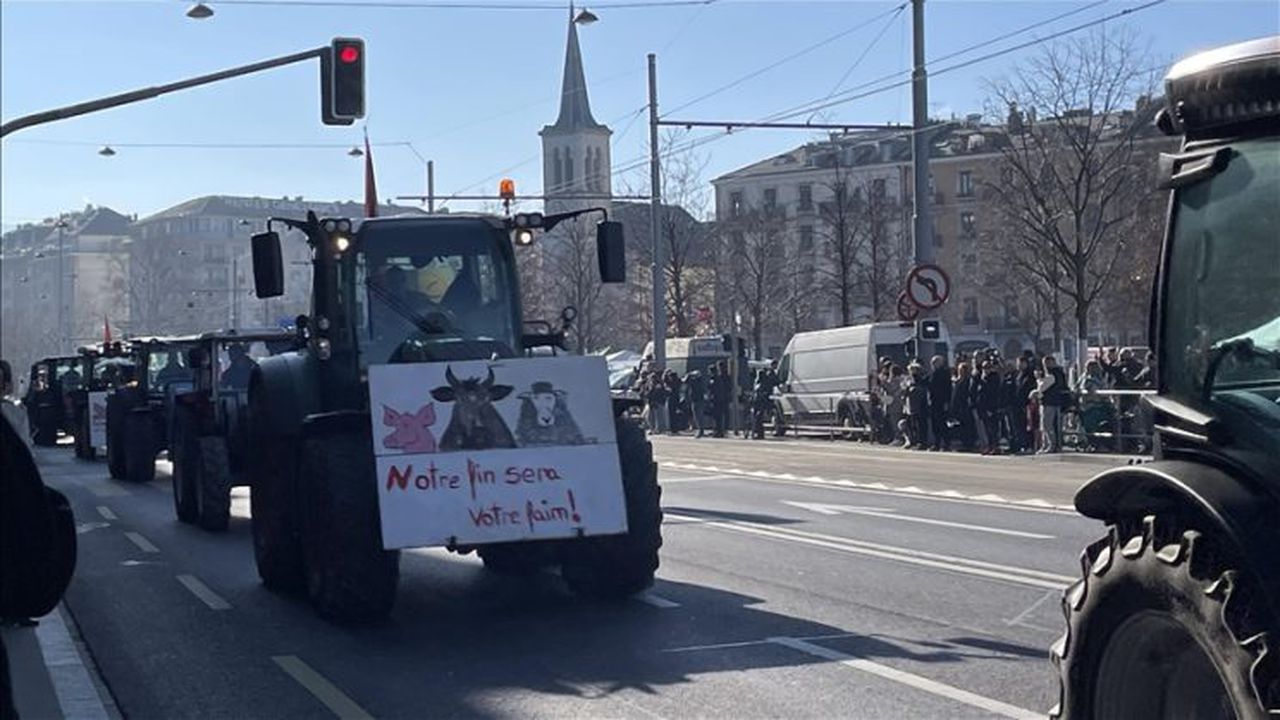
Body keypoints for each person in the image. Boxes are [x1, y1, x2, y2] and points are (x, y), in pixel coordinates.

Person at [977, 361, 1003, 455]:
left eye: (988, 367)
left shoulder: (993, 378)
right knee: (987, 429)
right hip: (983, 407)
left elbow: (992, 394)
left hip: (991, 407)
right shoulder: (982, 378)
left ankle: (996, 446)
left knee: (993, 429)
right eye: (984, 368)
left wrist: (991, 408)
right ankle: (990, 446)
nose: (985, 370)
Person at [949, 362, 977, 451]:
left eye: (962, 370)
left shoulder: (968, 380)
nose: (960, 372)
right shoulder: (957, 381)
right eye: (959, 370)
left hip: (965, 405)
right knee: (960, 425)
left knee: (968, 425)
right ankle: (964, 442)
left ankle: (970, 443)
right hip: (958, 406)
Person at [903, 362, 929, 450]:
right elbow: (905, 392)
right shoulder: (909, 380)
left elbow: (921, 391)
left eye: (911, 370)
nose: (910, 372)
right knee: (913, 425)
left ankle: (922, 442)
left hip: (920, 405)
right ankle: (916, 441)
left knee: (921, 425)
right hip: (912, 406)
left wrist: (911, 387)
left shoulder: (921, 380)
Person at [927, 355, 951, 451]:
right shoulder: (933, 373)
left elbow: (948, 389)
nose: (933, 365)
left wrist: (946, 402)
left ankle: (946, 443)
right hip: (934, 401)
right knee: (935, 424)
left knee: (942, 423)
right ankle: (937, 443)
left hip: (941, 401)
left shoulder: (944, 373)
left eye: (935, 362)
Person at [709, 362, 731, 438]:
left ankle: (719, 431)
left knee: (718, 416)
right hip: (721, 398)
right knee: (719, 416)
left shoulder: (717, 378)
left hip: (718, 399)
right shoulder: (721, 377)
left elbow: (713, 389)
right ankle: (719, 430)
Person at [684, 370, 708, 438]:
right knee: (698, 416)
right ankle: (700, 430)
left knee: (698, 416)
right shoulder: (701, 381)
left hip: (697, 401)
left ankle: (701, 430)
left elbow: (685, 381)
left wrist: (688, 375)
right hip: (697, 400)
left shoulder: (696, 382)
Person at [663, 370, 684, 435]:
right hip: (676, 399)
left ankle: (673, 430)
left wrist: (665, 374)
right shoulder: (678, 382)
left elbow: (664, 380)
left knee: (671, 415)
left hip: (671, 400)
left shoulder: (671, 384)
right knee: (674, 415)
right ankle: (675, 429)